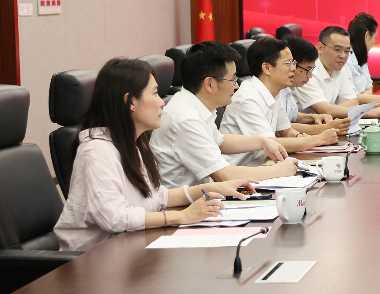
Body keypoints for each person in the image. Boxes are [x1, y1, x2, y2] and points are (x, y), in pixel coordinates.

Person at [54, 58, 254, 252]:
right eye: (156, 94)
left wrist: (211, 188)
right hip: (92, 260)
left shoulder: (131, 142)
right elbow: (114, 218)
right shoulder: (97, 150)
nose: (162, 103)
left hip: (131, 249)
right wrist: (182, 216)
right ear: (131, 102)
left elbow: (157, 198)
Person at [151, 41, 297, 189]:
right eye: (233, 79)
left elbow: (220, 141)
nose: (236, 85)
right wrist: (278, 170)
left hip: (207, 194)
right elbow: (223, 175)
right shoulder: (185, 118)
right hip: (189, 201)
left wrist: (263, 142)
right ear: (209, 84)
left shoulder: (197, 104)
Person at [220, 37, 339, 165]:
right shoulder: (248, 99)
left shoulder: (274, 93)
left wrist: (302, 137)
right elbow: (270, 143)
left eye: (293, 63)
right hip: (241, 169)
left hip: (264, 164)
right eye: (288, 63)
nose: (293, 68)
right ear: (267, 68)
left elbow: (287, 131)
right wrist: (319, 139)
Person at [294, 26, 380, 119]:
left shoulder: (339, 68)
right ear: (320, 48)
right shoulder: (307, 72)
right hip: (305, 128)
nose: (343, 56)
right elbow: (325, 110)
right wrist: (368, 112)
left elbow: (353, 102)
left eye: (347, 51)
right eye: (337, 50)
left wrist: (333, 109)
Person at [281, 36, 351, 136]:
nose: (310, 76)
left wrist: (315, 117)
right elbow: (280, 128)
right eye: (307, 70)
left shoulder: (288, 90)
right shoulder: (275, 90)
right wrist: (325, 128)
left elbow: (292, 116)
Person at [345, 13, 380, 103]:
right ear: (367, 35)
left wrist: (362, 98)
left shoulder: (361, 57)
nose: (374, 42)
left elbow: (369, 87)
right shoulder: (344, 60)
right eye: (375, 38)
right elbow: (351, 98)